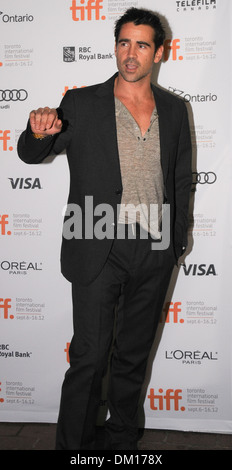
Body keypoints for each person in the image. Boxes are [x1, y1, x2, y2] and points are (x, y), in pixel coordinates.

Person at [17, 7, 192, 450]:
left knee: (132, 359)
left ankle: (121, 444)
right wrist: (37, 132)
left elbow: (182, 178)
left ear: (159, 53)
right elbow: (32, 154)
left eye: (142, 45)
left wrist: (175, 240)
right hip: (97, 243)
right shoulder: (81, 102)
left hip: (154, 246)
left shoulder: (174, 108)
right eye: (124, 43)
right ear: (116, 46)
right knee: (89, 359)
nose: (130, 54)